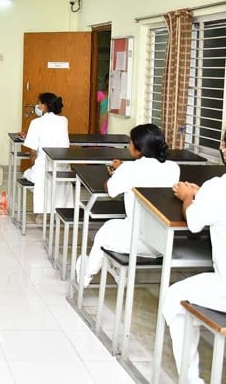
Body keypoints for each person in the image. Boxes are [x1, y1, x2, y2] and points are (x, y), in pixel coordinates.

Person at [77, 123, 180, 287]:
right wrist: (124, 169)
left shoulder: (130, 170)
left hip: (137, 239)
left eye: (130, 142)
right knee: (113, 230)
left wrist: (116, 173)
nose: (128, 146)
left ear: (139, 148)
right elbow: (148, 172)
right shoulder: (173, 168)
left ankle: (86, 276)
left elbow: (110, 189)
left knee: (104, 232)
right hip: (164, 241)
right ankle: (116, 271)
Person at [163, 168, 226, 384]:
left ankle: (191, 379)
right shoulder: (213, 190)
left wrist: (188, 197)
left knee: (174, 297)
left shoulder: (218, 187)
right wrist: (203, 194)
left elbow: (193, 222)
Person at [20, 92, 72, 214]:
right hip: (62, 168)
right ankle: (58, 211)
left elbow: (33, 153)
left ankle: (42, 213)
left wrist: (33, 166)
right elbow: (51, 138)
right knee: (55, 181)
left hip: (43, 169)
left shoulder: (36, 123)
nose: (36, 106)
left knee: (27, 174)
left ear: (44, 106)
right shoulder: (63, 120)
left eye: (38, 103)